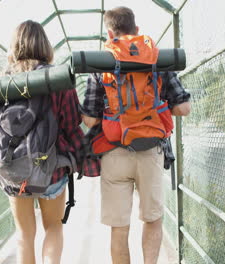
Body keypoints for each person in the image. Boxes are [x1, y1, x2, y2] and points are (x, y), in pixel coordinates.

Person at [80, 6, 191, 264]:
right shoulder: (156, 58)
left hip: (114, 152)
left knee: (119, 227)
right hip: (150, 151)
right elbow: (183, 107)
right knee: (152, 218)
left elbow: (90, 118)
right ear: (137, 30)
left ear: (109, 34)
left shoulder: (101, 64)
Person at [0, 20, 86, 264]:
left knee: (24, 235)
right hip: (51, 168)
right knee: (53, 228)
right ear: (45, 46)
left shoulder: (1, 82)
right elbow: (72, 121)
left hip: (13, 169)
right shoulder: (58, 79)